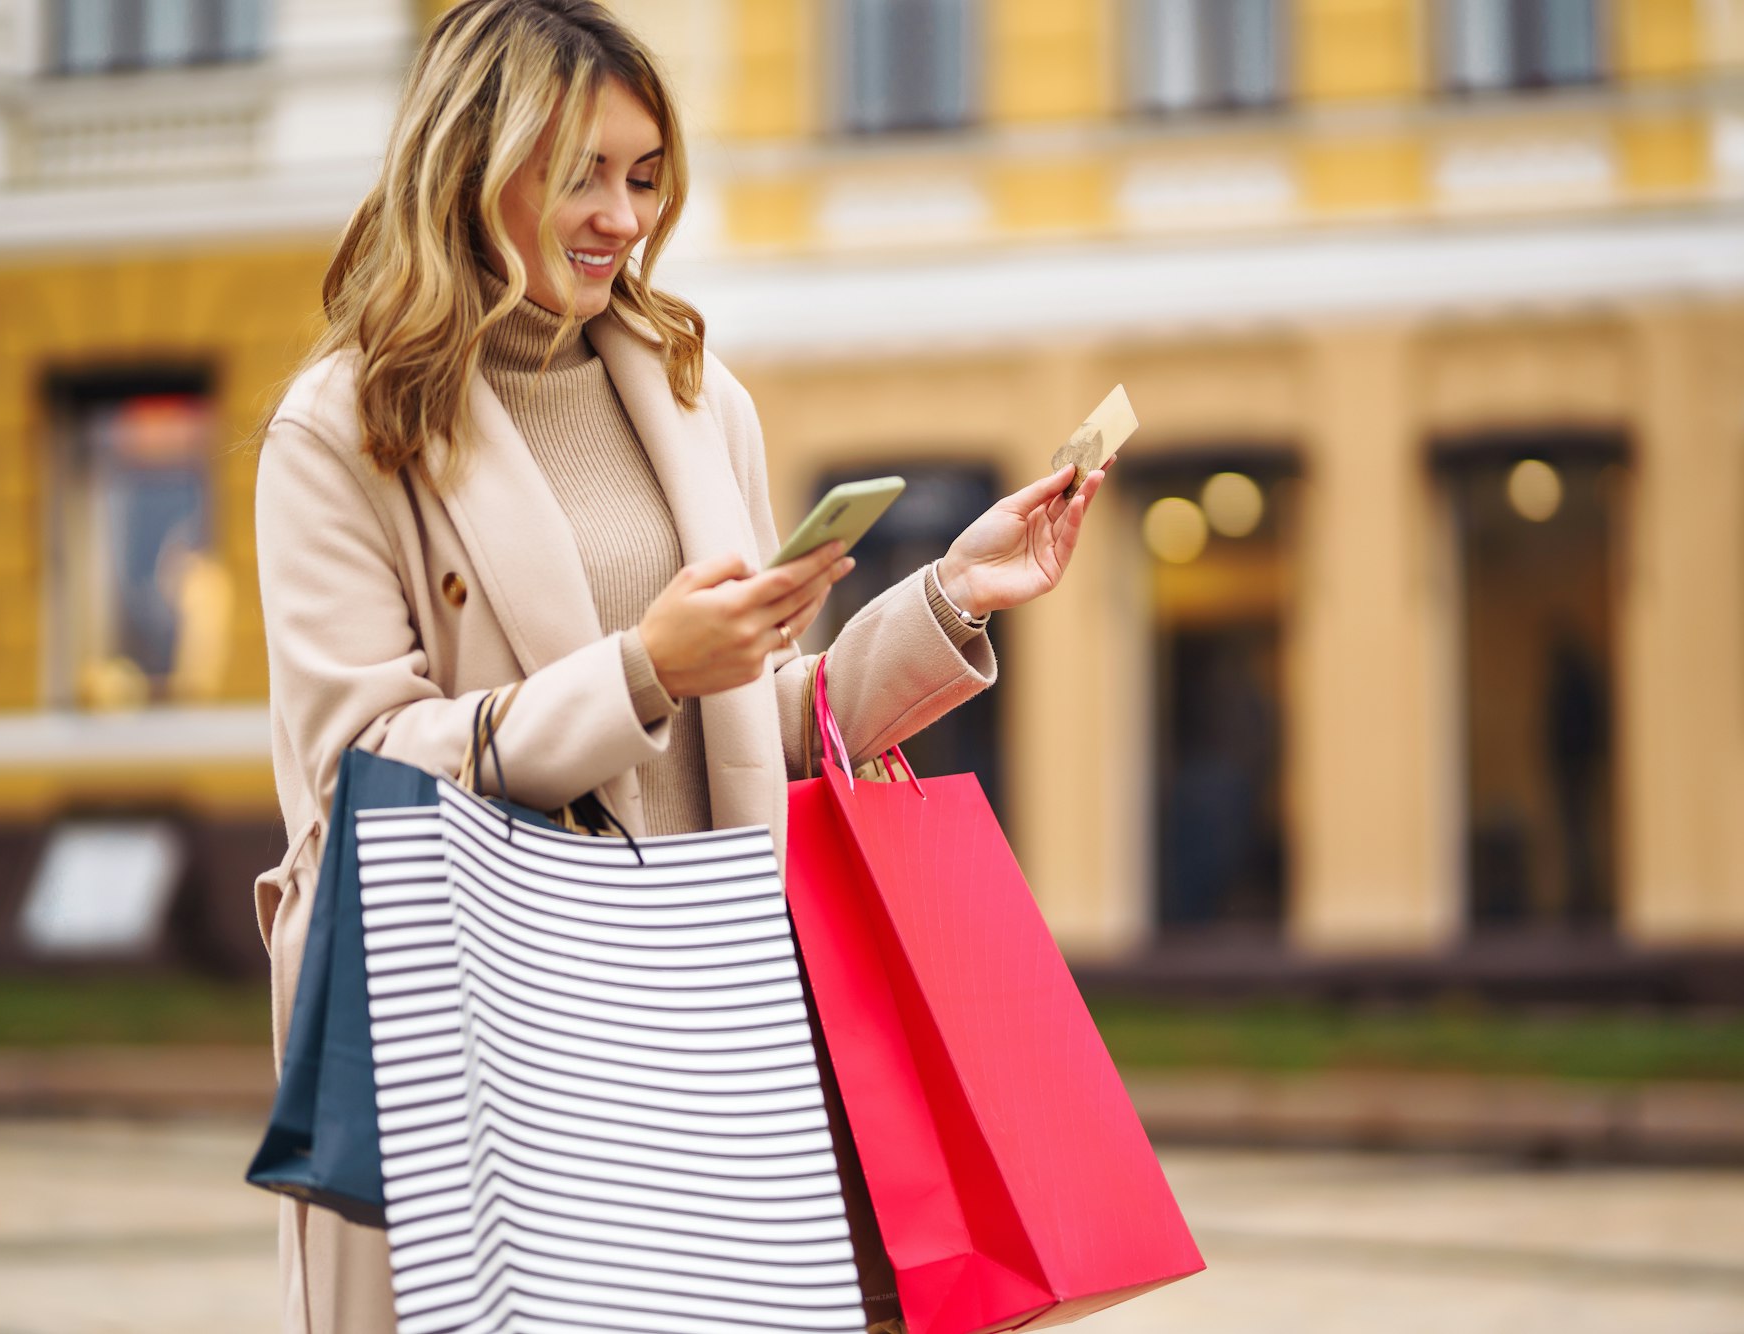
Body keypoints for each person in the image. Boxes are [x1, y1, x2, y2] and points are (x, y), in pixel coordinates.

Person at [250, 1, 1110, 1329]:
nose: (623, 214)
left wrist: (950, 596)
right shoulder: (344, 427)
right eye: (582, 170)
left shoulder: (700, 396)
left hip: (701, 1018)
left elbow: (743, 719)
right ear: (474, 164)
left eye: (644, 176)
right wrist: (643, 669)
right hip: (489, 1030)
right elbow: (362, 767)